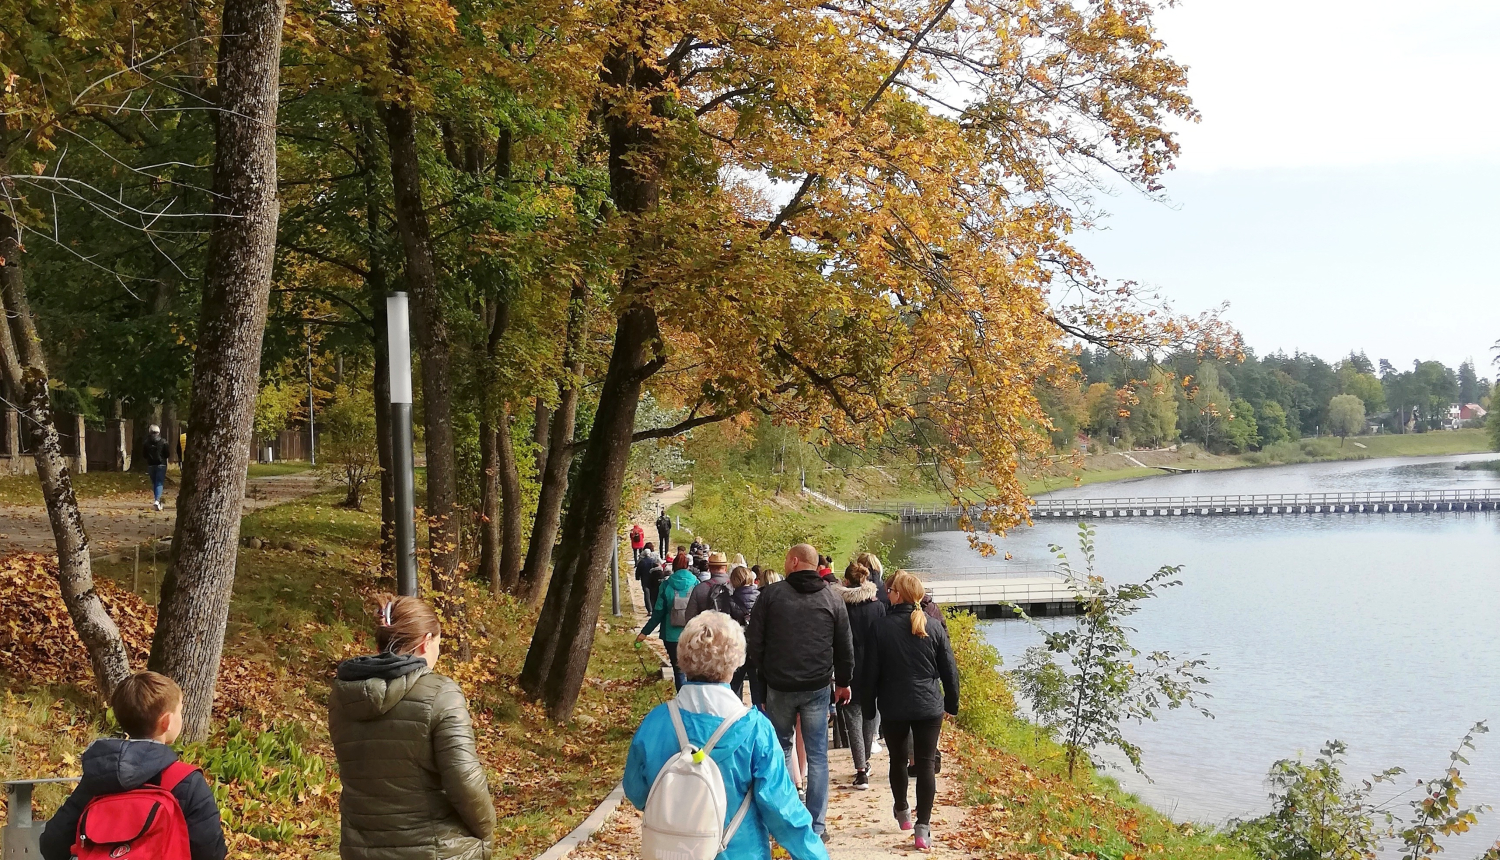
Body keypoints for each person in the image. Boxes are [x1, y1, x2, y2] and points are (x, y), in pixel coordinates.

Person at [624, 613, 829, 860]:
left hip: (672, 851)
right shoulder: (755, 729)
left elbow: (636, 790)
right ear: (735, 661)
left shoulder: (656, 722)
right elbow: (782, 811)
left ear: (683, 658)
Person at [330, 595, 495, 860]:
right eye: (437, 644)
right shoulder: (441, 693)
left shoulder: (343, 697)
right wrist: (485, 834)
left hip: (361, 850)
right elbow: (465, 780)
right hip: (433, 849)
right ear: (425, 642)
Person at [41, 672, 227, 860]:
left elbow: (52, 843)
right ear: (167, 722)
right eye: (180, 710)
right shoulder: (186, 781)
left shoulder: (100, 777)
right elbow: (211, 853)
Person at [745, 543, 854, 841]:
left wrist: (764, 678)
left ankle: (784, 819)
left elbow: (754, 643)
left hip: (779, 686)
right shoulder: (832, 598)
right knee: (818, 755)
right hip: (817, 686)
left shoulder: (771, 596)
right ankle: (817, 826)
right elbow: (845, 646)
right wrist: (843, 682)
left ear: (794, 561)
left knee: (780, 750)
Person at [859, 572, 959, 851]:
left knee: (898, 760)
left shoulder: (880, 627)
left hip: (894, 705)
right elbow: (949, 670)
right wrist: (951, 703)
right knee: (926, 764)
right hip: (928, 705)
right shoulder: (933, 626)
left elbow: (870, 673)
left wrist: (869, 708)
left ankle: (902, 810)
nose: (887, 593)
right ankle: (922, 828)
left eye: (891, 590)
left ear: (899, 595)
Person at [838, 562, 886, 790]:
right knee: (870, 714)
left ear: (846, 581)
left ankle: (860, 769)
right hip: (874, 667)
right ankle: (865, 760)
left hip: (849, 666)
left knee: (852, 718)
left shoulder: (842, 607)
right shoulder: (878, 607)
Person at [638, 556, 701, 689]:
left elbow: (658, 612)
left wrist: (644, 633)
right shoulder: (696, 583)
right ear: (688, 566)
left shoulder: (666, 585)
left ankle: (682, 697)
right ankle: (693, 698)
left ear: (674, 567)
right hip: (692, 635)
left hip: (671, 635)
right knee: (693, 670)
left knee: (679, 671)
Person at [727, 565, 760, 701]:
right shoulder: (761, 598)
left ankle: (735, 712)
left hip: (738, 648)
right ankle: (759, 712)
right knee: (758, 690)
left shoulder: (730, 601)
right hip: (757, 648)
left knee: (734, 688)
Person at [685, 551, 734, 624]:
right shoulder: (735, 588)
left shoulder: (699, 589)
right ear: (726, 568)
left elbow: (690, 617)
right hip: (729, 630)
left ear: (709, 568)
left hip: (706, 629)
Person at [143, 424, 171, 511]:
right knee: (159, 483)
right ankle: (157, 500)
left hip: (151, 465)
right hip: (161, 465)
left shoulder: (146, 443)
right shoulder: (163, 442)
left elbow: (144, 455)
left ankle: (157, 501)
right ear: (158, 432)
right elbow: (167, 454)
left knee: (154, 483)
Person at [635, 542, 663, 612]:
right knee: (652, 593)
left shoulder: (642, 562)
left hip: (644, 580)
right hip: (652, 579)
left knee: (646, 594)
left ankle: (649, 609)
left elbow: (638, 570)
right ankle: (653, 607)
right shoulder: (652, 561)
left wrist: (637, 577)